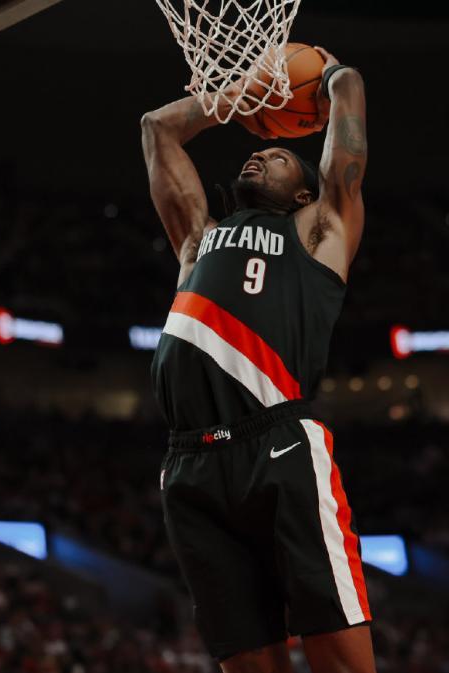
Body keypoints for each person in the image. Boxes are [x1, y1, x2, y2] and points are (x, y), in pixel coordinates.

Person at [141, 46, 374, 673]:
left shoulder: (319, 229)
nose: (260, 154)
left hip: (278, 442)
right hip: (188, 461)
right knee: (245, 660)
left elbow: (348, 123)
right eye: (259, 151)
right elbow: (157, 127)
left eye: (278, 156)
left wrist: (332, 72)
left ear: (303, 190)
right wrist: (239, 95)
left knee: (336, 648)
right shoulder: (199, 239)